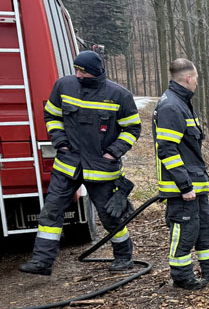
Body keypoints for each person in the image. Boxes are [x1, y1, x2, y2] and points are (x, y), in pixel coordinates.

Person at [19, 50, 140, 276]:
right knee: (51, 211)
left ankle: (124, 256)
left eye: (82, 71)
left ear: (95, 71)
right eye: (76, 70)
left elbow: (133, 128)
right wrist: (60, 142)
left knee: (110, 215)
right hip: (68, 165)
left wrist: (112, 153)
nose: (78, 75)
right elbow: (52, 116)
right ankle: (42, 261)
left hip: (101, 169)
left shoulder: (119, 95)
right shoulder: (64, 86)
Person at [152, 58, 209, 290]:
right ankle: (182, 277)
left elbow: (189, 147)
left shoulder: (182, 102)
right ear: (188, 78)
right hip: (182, 186)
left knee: (206, 226)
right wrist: (184, 185)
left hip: (196, 180)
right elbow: (167, 149)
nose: (197, 82)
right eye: (196, 78)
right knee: (185, 229)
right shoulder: (171, 106)